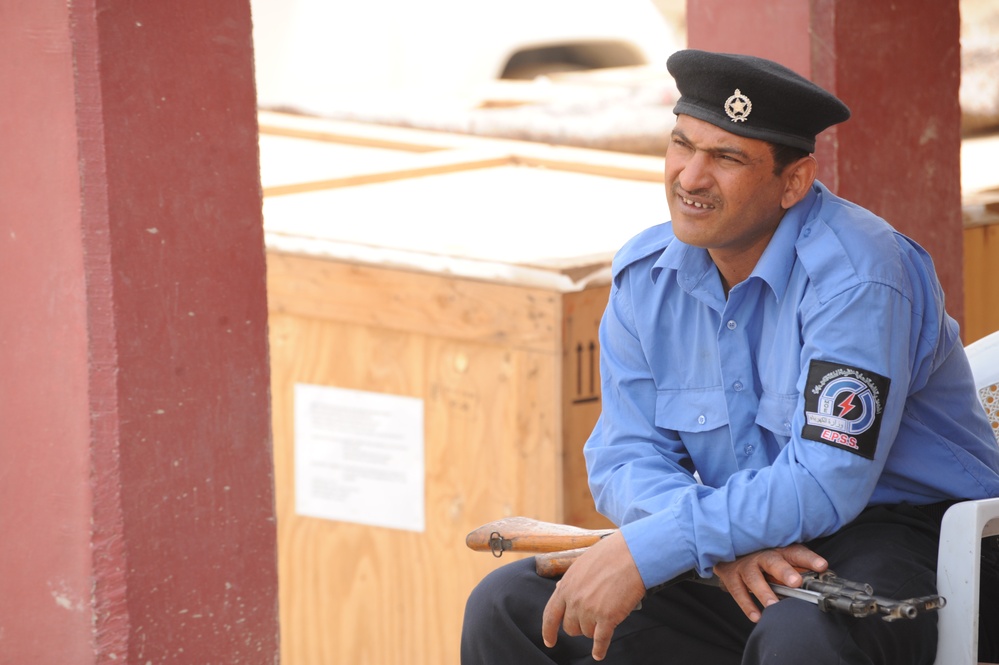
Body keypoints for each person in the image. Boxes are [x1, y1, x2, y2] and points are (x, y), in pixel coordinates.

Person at [460, 49, 999, 665]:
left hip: (911, 538)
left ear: (793, 182)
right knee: (508, 605)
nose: (690, 177)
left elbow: (826, 484)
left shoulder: (860, 277)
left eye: (726, 157)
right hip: (736, 535)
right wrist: (711, 545)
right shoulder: (646, 278)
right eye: (682, 145)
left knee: (801, 643)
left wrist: (664, 543)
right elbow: (623, 455)